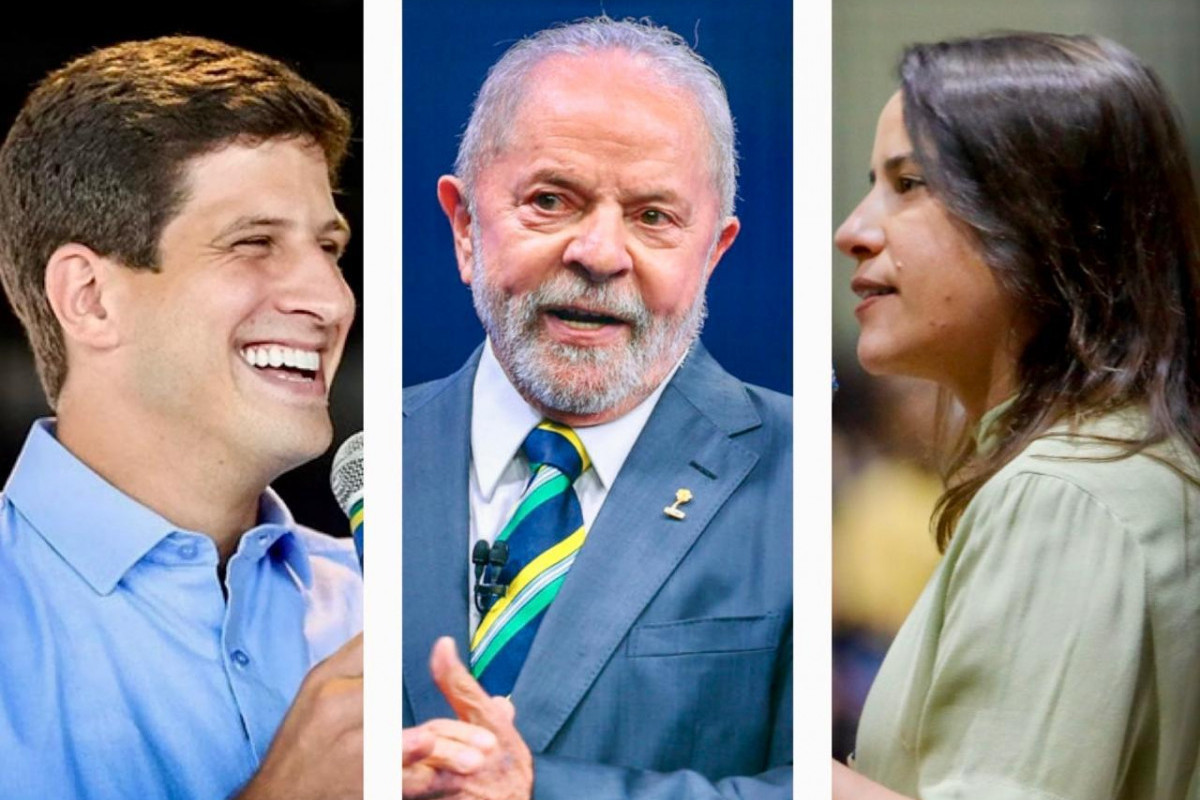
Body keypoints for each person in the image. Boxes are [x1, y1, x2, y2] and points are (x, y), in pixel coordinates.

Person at [400, 16, 793, 800]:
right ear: (464, 227)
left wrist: (540, 789)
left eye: (653, 217)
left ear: (712, 254)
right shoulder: (357, 461)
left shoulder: (801, 474)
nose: (601, 254)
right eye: (551, 201)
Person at [833, 32, 1200, 800]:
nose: (854, 231)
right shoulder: (1110, 462)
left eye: (909, 185)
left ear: (1041, 217)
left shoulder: (1068, 492)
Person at [0, 37, 364, 800]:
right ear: (90, 298)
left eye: (329, 249)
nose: (332, 302)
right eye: (254, 243)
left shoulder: (381, 599)